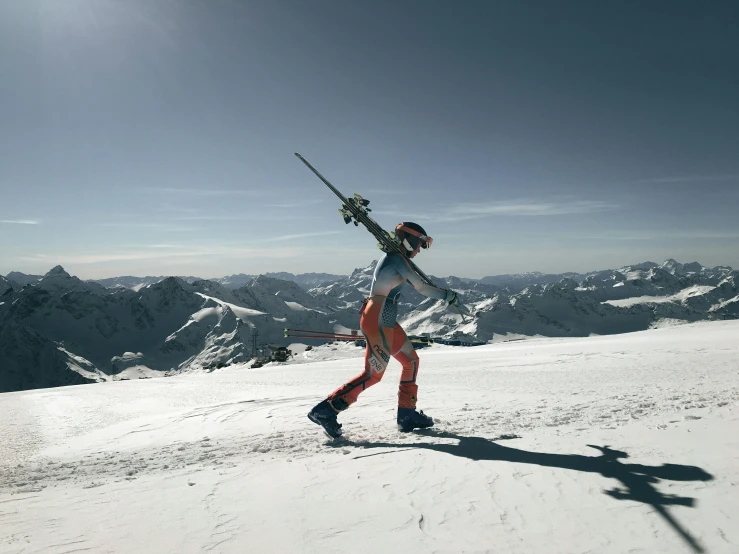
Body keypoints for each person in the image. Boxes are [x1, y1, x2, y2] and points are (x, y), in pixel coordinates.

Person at [308, 222, 464, 438]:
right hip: (378, 319)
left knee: (411, 361)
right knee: (373, 375)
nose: (419, 250)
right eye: (419, 244)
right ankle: (326, 410)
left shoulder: (397, 258)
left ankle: (407, 414)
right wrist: (448, 295)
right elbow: (421, 287)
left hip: (384, 318)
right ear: (409, 241)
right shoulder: (397, 259)